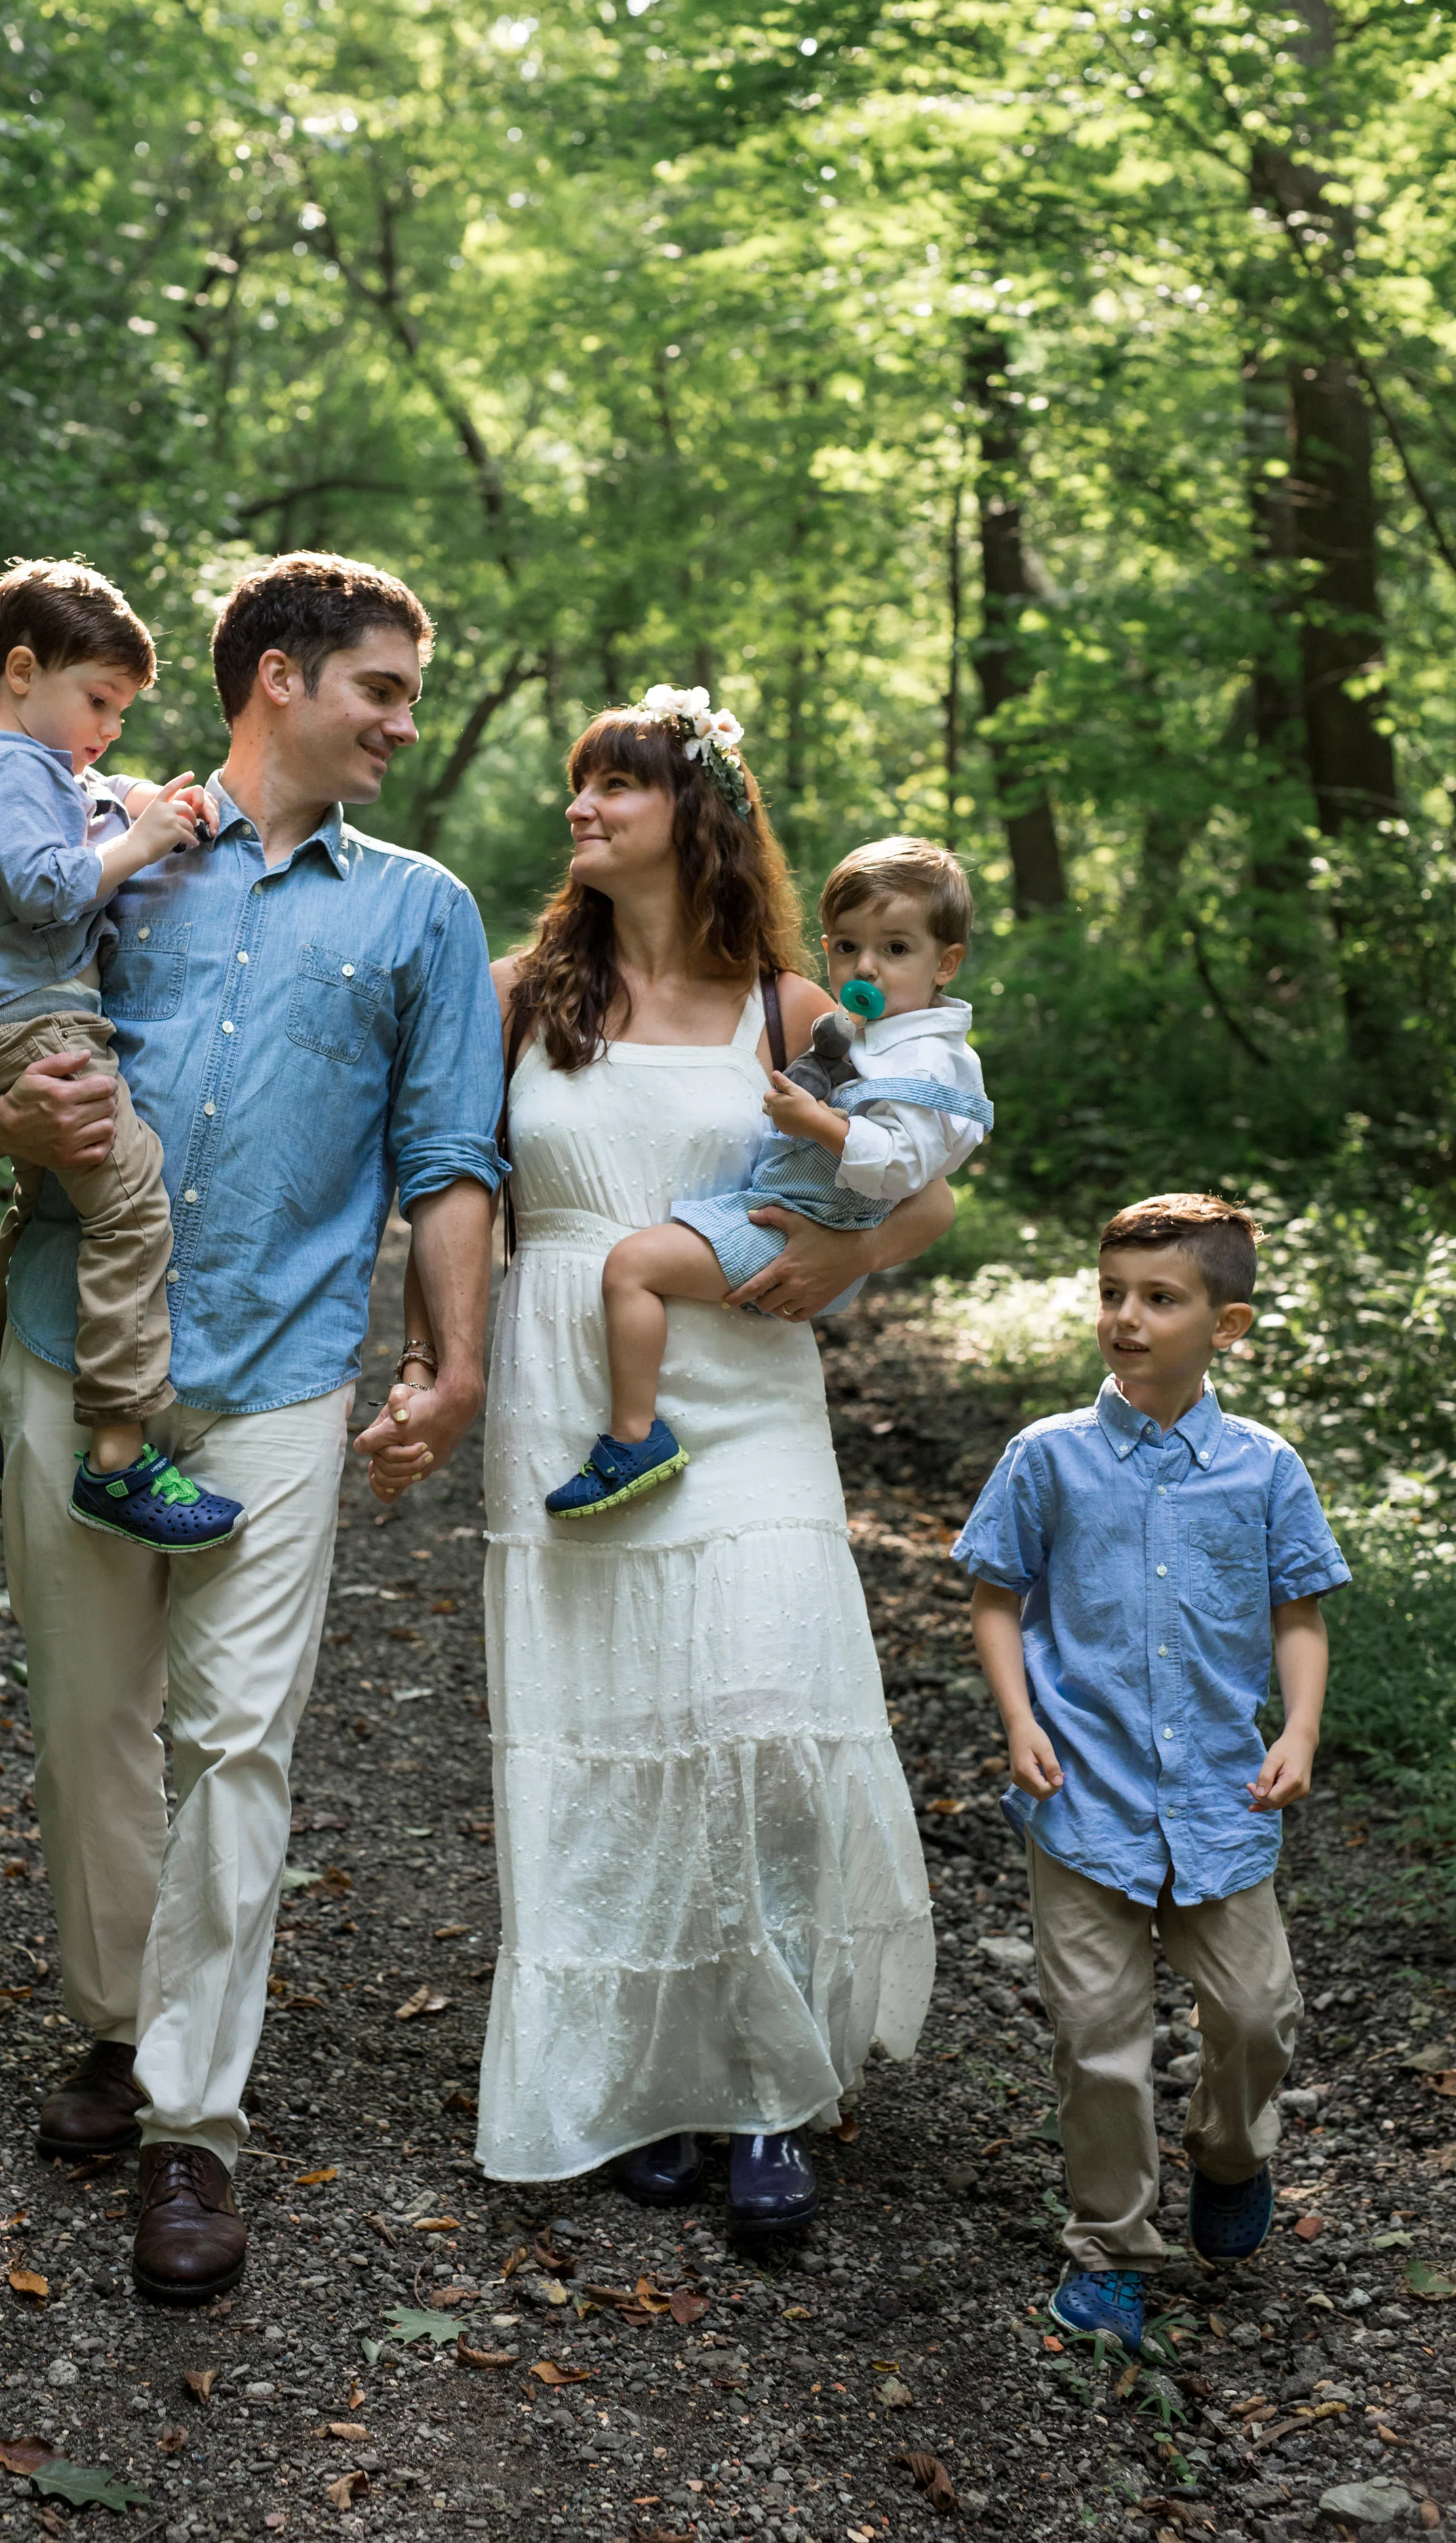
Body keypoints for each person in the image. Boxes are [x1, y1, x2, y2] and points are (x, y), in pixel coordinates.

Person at [0, 551, 503, 2303]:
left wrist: (449, 1359)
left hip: (270, 1374)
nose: (403, 722)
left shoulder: (422, 911)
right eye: (383, 689)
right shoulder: (114, 844)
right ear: (279, 677)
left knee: (235, 1739)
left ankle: (192, 2120)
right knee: (91, 1721)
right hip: (72, 1356)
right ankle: (118, 2021)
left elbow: (448, 1157)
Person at [363, 692, 943, 2233]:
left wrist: (848, 1252)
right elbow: (450, 1190)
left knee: (758, 1728)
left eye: (616, 783)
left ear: (691, 814)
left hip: (749, 1388)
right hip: (576, 1394)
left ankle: (765, 2086)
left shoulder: (790, 1007)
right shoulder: (511, 996)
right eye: (578, 784)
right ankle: (638, 2076)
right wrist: (441, 1361)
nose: (583, 807)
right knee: (612, 1740)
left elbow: (930, 1181)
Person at [951, 1194, 1349, 2351]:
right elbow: (994, 1596)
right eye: (1112, 1294)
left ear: (1227, 1326)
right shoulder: (1050, 1459)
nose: (1126, 1318)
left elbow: (1299, 1612)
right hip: (1083, 1797)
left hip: (1222, 1800)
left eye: (1159, 1300)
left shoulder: (1264, 1468)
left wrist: (1303, 1731)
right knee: (1101, 2038)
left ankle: (1229, 2152)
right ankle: (1112, 2245)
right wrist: (1018, 1717)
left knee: (1258, 2011)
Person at [0, 558, 243, 1552]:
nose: (108, 727)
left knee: (44, 1199)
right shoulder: (10, 769)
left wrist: (136, 800)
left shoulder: (32, 768)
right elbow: (50, 886)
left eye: (123, 713)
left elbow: (86, 799)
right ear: (22, 671)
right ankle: (116, 1451)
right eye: (98, 700)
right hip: (39, 1027)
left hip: (8, 1026)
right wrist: (141, 842)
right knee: (136, 1201)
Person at [544, 805, 992, 1517]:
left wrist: (816, 1123)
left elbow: (906, 1170)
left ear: (946, 963)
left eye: (895, 950)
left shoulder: (930, 1060)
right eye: (847, 948)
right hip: (780, 1204)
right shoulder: (867, 1033)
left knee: (633, 1266)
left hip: (804, 1222)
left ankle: (634, 1437)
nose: (865, 967)